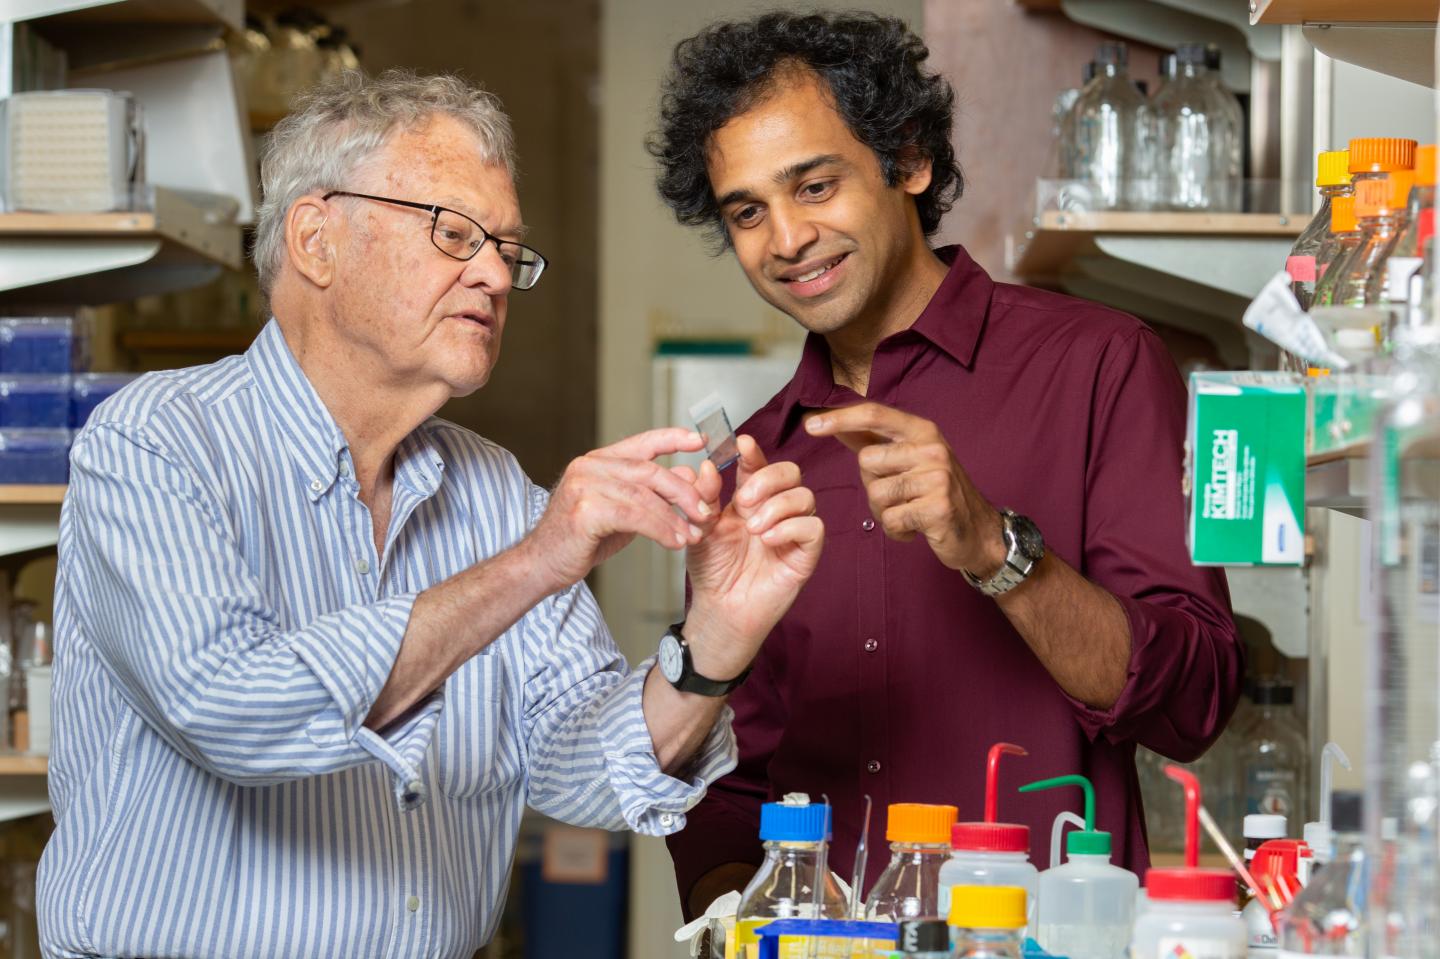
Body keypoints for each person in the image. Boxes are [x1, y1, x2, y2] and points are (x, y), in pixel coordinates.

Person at [37, 70, 823, 958]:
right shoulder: (155, 444)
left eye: (507, 249)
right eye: (455, 233)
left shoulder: (495, 491)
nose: (493, 273)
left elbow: (586, 772)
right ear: (316, 239)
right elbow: (233, 708)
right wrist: (537, 562)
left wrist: (715, 639)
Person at [651, 12, 1245, 917]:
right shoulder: (754, 463)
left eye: (814, 185)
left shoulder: (1097, 365)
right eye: (746, 211)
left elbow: (1194, 702)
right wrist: (739, 913)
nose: (785, 240)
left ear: (911, 161)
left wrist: (998, 550)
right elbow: (730, 779)